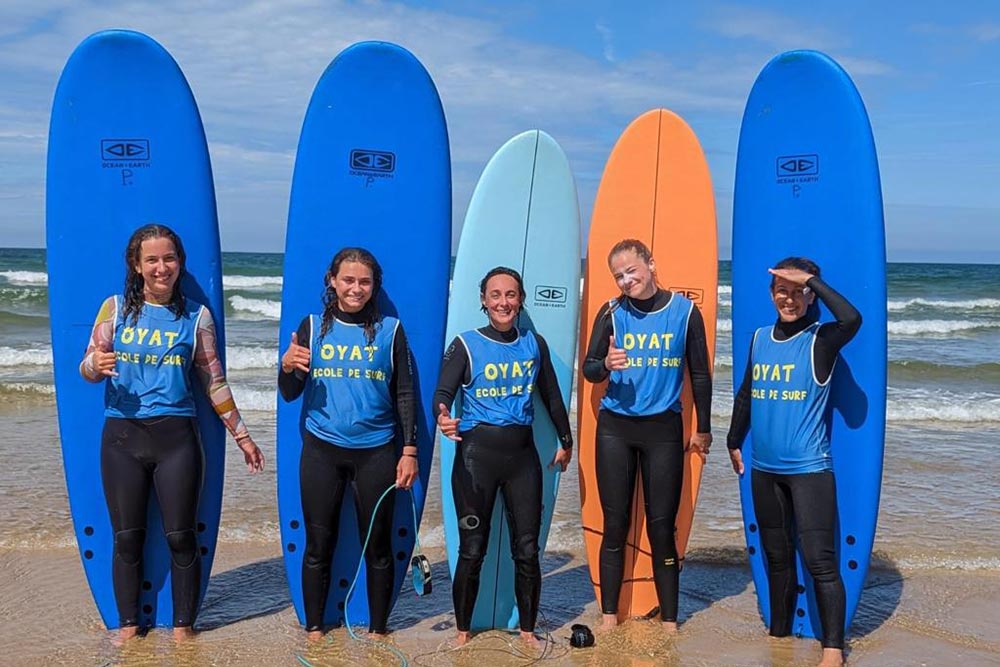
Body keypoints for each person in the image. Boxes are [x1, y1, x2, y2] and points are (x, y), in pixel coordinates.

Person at [79, 223, 264, 642]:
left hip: (177, 439)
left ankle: (184, 630)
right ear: (136, 264)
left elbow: (213, 382)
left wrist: (243, 437)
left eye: (169, 258)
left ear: (179, 263)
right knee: (127, 538)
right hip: (122, 438)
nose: (162, 268)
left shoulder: (197, 318)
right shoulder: (114, 310)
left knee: (182, 536)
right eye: (152, 259)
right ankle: (129, 627)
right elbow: (86, 365)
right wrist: (97, 366)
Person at [726, 257, 861, 667]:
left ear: (809, 295)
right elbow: (747, 393)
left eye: (797, 291)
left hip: (809, 470)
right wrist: (734, 440)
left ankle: (833, 650)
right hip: (764, 469)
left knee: (820, 560)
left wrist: (812, 281)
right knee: (777, 558)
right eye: (781, 290)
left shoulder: (821, 340)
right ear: (771, 295)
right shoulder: (759, 338)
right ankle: (779, 637)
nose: (789, 298)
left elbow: (852, 318)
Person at [278, 247, 418, 641]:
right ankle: (315, 628)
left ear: (374, 286)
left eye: (365, 282)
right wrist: (287, 366)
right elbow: (290, 392)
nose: (356, 289)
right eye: (349, 280)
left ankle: (377, 630)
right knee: (319, 545)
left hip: (376, 451)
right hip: (322, 450)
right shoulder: (310, 327)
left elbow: (405, 393)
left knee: (378, 546)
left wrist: (409, 451)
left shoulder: (391, 330)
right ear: (332, 281)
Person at [434, 266, 573, 646]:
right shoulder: (465, 344)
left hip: (522, 459)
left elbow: (551, 396)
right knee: (473, 550)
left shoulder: (534, 343)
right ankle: (463, 631)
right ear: (483, 300)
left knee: (527, 551)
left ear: (521, 300)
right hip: (475, 460)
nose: (503, 302)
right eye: (495, 295)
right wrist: (443, 417)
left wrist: (566, 440)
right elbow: (442, 392)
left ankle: (527, 630)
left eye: (510, 295)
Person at [581, 238, 713, 633]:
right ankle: (609, 616)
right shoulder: (611, 313)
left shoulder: (685, 312)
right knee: (615, 523)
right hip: (616, 429)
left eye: (631, 271)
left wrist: (703, 428)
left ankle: (670, 620)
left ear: (650, 264)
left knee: (661, 526)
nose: (625, 280)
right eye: (618, 275)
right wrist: (604, 363)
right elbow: (588, 369)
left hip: (664, 430)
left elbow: (701, 375)